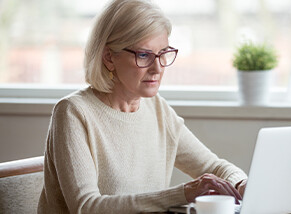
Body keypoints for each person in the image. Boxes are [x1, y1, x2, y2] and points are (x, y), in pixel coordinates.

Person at [37, 0, 248, 213]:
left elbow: (214, 167)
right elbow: (86, 207)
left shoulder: (157, 110)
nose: (157, 68)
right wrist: (182, 193)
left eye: (163, 53)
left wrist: (241, 185)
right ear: (109, 58)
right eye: (144, 55)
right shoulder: (73, 113)